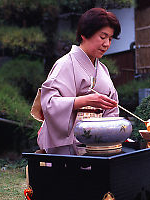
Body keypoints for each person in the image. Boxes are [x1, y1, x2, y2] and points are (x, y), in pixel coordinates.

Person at [37, 8, 121, 155]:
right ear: (85, 34)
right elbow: (49, 104)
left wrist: (109, 134)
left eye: (110, 38)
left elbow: (112, 108)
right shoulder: (64, 64)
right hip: (67, 143)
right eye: (103, 37)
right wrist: (84, 101)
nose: (107, 44)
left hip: (99, 142)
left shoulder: (103, 70)